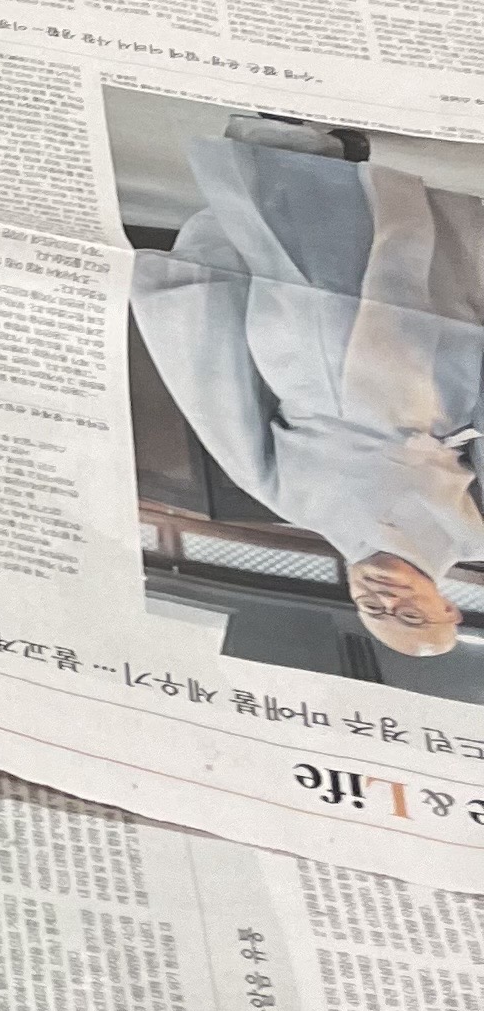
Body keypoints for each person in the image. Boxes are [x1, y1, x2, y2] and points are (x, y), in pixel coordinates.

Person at [130, 119, 484, 661]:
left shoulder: (293, 503)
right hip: (427, 377)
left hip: (302, 362)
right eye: (410, 614)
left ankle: (298, 141)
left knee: (299, 240)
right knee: (412, 250)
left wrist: (197, 306)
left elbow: (222, 410)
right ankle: (361, 152)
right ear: (448, 607)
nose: (385, 600)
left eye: (373, 610)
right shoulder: (472, 532)